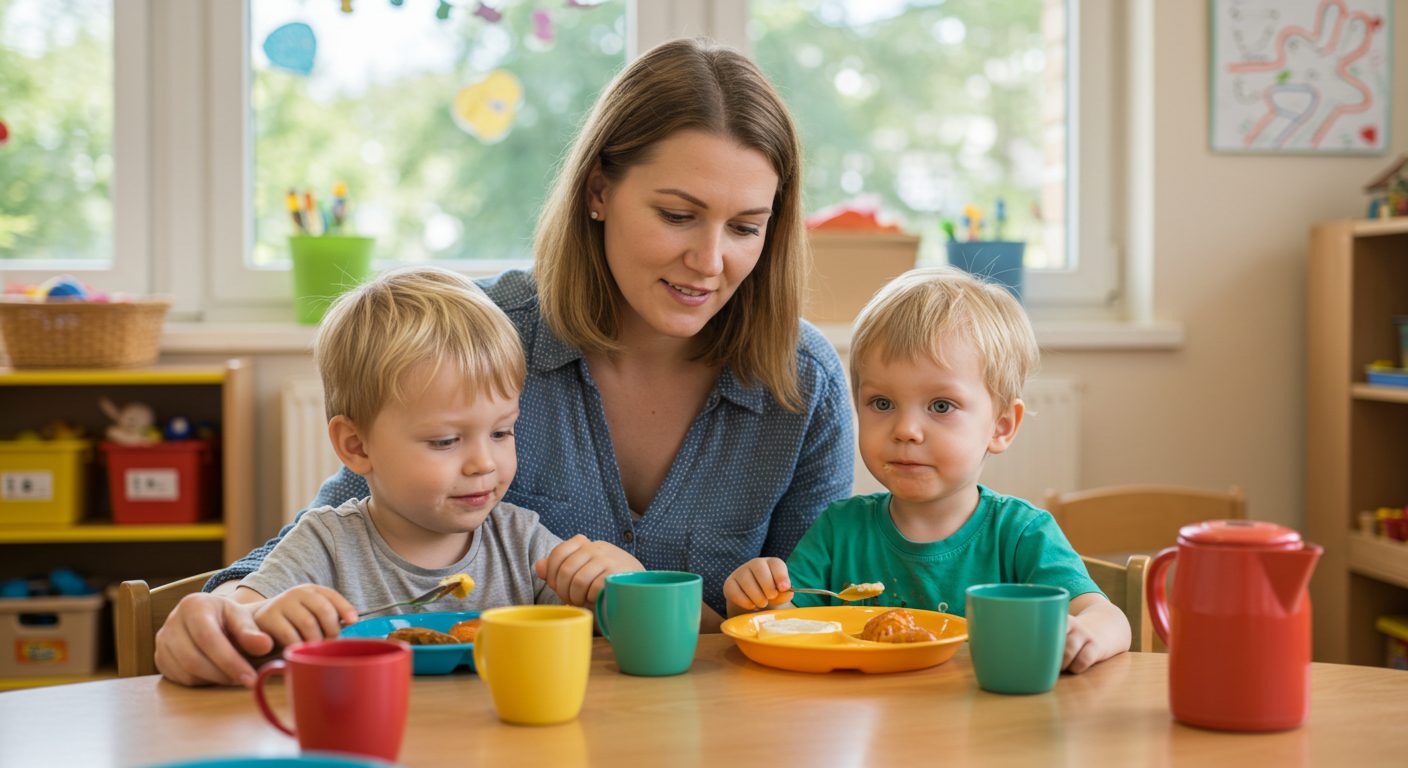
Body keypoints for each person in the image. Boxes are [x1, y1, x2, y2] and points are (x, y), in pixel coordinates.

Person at [155, 37, 855, 687]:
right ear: (598, 191)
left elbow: (819, 615)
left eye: (745, 228)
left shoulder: (803, 384)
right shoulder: (479, 335)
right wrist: (226, 607)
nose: (709, 261)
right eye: (677, 215)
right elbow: (344, 522)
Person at [722, 267, 1130, 673]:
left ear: (1001, 426)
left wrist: (1087, 634)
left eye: (940, 406)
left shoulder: (1022, 534)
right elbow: (782, 626)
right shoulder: (838, 531)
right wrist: (754, 601)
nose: (906, 430)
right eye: (882, 403)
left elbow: (1110, 619)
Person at [231, 266, 614, 648]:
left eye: (500, 433)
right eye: (445, 441)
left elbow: (599, 629)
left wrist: (616, 589)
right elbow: (239, 620)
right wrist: (266, 617)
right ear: (357, 446)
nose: (484, 463)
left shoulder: (522, 541)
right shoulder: (324, 545)